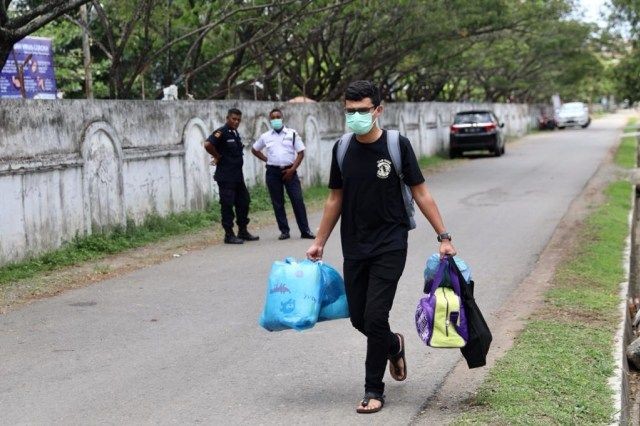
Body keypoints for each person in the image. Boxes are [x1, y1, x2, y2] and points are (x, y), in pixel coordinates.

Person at [306, 81, 456, 414]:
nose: (356, 116)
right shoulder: (342, 149)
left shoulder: (396, 145)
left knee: (375, 315)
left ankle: (374, 389)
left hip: (391, 242)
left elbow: (421, 192)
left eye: (362, 110)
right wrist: (319, 241)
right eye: (349, 111)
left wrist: (443, 237)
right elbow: (335, 198)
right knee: (359, 318)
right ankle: (393, 344)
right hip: (354, 244)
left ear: (378, 110)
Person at [251, 108, 315, 240]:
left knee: (297, 200)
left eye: (277, 117)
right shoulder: (266, 136)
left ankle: (305, 230)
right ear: (270, 120)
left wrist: (292, 170)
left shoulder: (292, 134)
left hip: (290, 171)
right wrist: (266, 160)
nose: (276, 120)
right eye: (273, 118)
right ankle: (284, 231)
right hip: (273, 172)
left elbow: (301, 153)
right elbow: (254, 149)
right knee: (278, 203)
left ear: (282, 118)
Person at [204, 108, 259, 244]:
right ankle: (229, 234)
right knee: (227, 205)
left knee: (244, 202)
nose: (236, 121)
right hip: (226, 177)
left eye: (238, 120)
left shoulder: (234, 133)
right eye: (233, 119)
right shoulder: (221, 132)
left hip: (237, 177)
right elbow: (208, 144)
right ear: (227, 118)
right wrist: (217, 156)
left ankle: (243, 231)